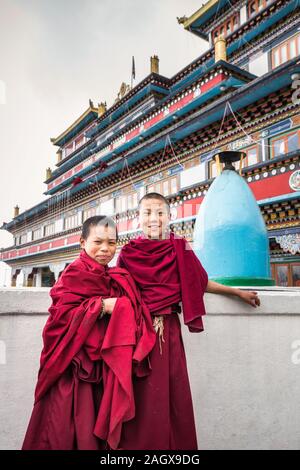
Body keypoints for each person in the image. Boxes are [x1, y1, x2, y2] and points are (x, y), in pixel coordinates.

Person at [117, 192, 260, 450]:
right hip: (139, 334)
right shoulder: (128, 252)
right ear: (137, 218)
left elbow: (200, 282)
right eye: (147, 213)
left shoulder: (179, 247)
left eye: (160, 213)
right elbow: (116, 291)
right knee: (141, 397)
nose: (154, 219)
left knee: (173, 398)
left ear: (169, 217)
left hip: (169, 332)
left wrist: (237, 292)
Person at [22, 215, 156, 450]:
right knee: (69, 428)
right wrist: (102, 306)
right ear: (82, 243)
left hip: (103, 366)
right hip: (74, 366)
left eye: (112, 243)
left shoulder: (116, 276)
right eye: (98, 242)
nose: (105, 249)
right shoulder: (74, 274)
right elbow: (60, 320)